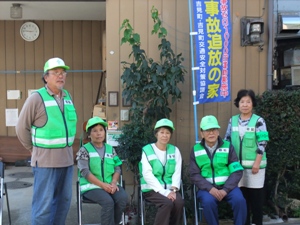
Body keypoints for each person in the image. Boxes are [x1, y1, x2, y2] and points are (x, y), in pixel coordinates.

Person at [16, 57, 77, 225]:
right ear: (46, 77)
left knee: (63, 204)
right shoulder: (36, 98)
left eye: (63, 72)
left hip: (66, 160)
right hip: (44, 162)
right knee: (43, 207)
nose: (61, 76)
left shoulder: (67, 96)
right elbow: (21, 128)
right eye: (56, 73)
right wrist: (32, 149)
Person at [190, 115, 247, 225]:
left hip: (228, 187)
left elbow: (236, 171)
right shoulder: (195, 150)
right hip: (207, 189)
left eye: (214, 129)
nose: (211, 133)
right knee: (208, 202)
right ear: (202, 133)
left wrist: (225, 189)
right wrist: (210, 188)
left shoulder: (228, 146)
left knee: (240, 201)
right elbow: (194, 174)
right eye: (207, 130)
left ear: (218, 131)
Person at [224, 89, 269, 225]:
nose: (245, 104)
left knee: (256, 201)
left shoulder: (259, 121)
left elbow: (263, 143)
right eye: (242, 101)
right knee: (242, 201)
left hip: (255, 169)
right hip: (237, 169)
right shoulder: (232, 121)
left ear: (252, 104)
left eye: (248, 102)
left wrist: (257, 162)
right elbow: (227, 141)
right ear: (238, 104)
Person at [77, 117, 127, 225]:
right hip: (91, 187)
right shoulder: (84, 150)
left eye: (101, 130)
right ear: (89, 134)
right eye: (95, 131)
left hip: (110, 185)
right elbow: (85, 172)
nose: (99, 133)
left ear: (105, 132)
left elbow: (117, 167)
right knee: (108, 202)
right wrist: (102, 185)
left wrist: (113, 182)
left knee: (122, 198)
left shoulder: (110, 149)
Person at [139, 118, 184, 225]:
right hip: (151, 189)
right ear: (156, 134)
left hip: (170, 189)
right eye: (162, 132)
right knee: (167, 203)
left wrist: (173, 189)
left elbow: (177, 172)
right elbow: (147, 174)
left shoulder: (175, 150)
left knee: (179, 203)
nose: (165, 135)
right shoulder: (147, 150)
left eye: (167, 133)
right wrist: (164, 192)